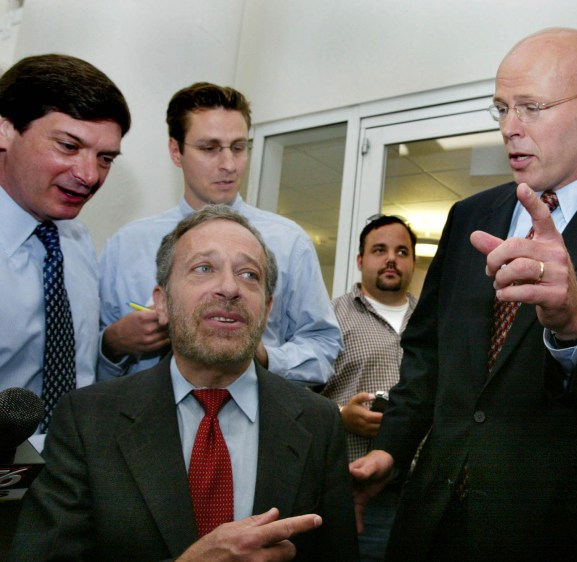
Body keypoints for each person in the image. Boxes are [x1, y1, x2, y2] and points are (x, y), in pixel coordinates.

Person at [350, 27, 577, 560]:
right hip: (434, 522)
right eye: (501, 108)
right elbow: (430, 356)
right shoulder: (471, 216)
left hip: (563, 532)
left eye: (531, 108)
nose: (509, 128)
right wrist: (390, 449)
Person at [10, 205, 359, 561]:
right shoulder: (87, 419)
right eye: (204, 268)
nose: (229, 287)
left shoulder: (318, 422)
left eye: (249, 275)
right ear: (161, 303)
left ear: (267, 310)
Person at [98, 82, 339, 386]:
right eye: (209, 148)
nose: (228, 165)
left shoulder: (289, 243)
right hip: (139, 423)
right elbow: (82, 363)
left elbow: (324, 349)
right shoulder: (125, 247)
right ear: (176, 150)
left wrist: (263, 357)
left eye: (238, 148)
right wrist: (113, 345)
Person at [0, 54, 130, 447]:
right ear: (5, 130)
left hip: (69, 475)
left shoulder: (75, 242)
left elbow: (80, 371)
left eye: (105, 158)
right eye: (68, 146)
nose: (89, 176)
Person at [321, 214, 417, 560]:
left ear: (412, 263)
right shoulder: (328, 319)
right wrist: (340, 415)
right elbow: (291, 397)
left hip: (422, 490)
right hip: (357, 493)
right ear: (360, 261)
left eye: (402, 251)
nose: (392, 258)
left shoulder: (431, 322)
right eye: (380, 250)